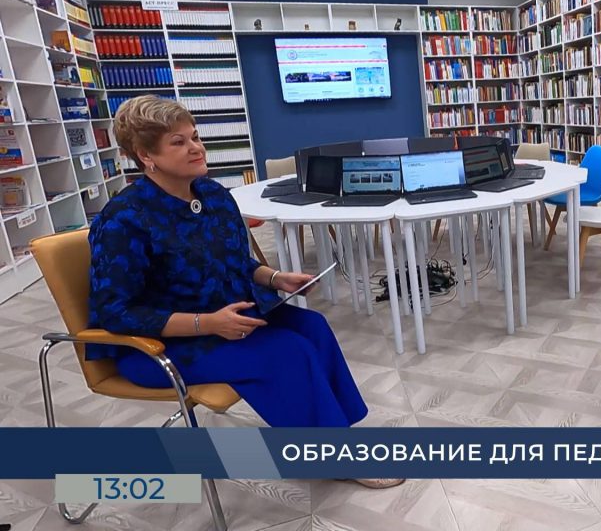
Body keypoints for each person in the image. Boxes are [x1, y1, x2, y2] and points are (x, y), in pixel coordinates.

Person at [88, 95, 401, 489]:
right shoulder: (123, 219)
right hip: (162, 345)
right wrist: (207, 324)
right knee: (287, 351)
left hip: (226, 317)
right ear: (145, 155)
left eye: (195, 137)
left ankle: (335, 433)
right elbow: (116, 311)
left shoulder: (213, 194)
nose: (197, 148)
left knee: (313, 327)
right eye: (179, 142)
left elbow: (235, 262)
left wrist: (274, 278)